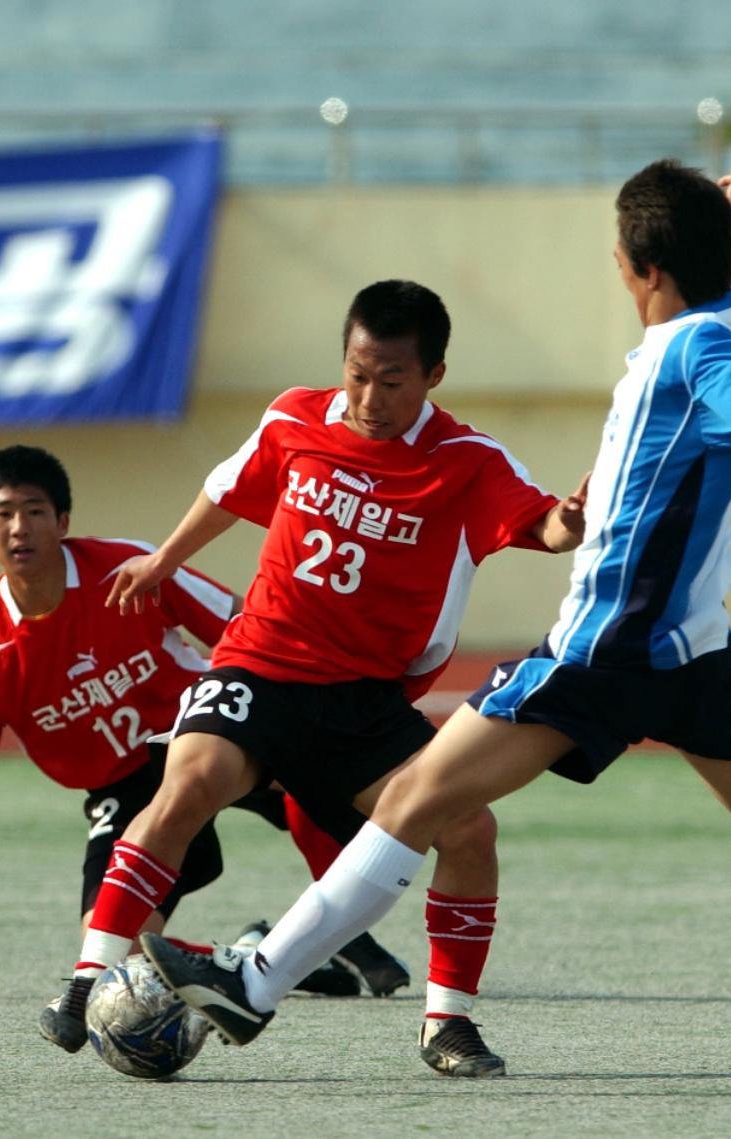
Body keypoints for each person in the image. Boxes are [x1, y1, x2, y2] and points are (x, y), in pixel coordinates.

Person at [140, 161, 731, 1066]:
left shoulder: (690, 351)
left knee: (413, 800)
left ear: (642, 271)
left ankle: (254, 987)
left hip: (603, 649)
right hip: (697, 651)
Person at [42, 280, 589, 1077]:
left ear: (433, 374)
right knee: (188, 784)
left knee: (468, 829)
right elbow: (229, 488)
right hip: (259, 663)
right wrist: (165, 558)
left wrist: (567, 522)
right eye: (357, 372)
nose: (370, 397)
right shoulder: (296, 416)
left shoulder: (467, 462)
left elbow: (539, 521)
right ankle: (88, 979)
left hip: (367, 702)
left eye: (392, 380)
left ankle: (449, 1024)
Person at [0, 445, 408, 1040]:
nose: (21, 527)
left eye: (36, 510)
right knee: (111, 944)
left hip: (209, 730)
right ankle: (255, 953)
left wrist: (299, 715)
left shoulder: (131, 567)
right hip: (120, 785)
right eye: (5, 513)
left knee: (318, 791)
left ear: (63, 522)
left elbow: (242, 623)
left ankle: (345, 936)